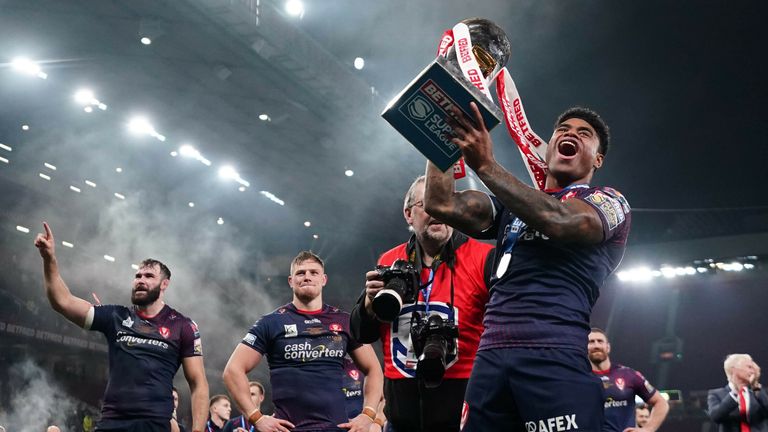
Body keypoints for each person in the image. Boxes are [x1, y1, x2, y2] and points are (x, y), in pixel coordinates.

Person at [424, 104, 631, 431]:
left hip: (554, 353)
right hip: (490, 356)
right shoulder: (513, 206)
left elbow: (561, 220)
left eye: (584, 133)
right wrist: (441, 136)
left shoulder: (609, 201)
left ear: (597, 159)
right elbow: (440, 203)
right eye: (562, 129)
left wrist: (487, 166)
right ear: (547, 147)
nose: (570, 133)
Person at [350, 175, 494, 432]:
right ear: (408, 214)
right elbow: (362, 333)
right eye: (429, 204)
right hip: (402, 419)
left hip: (462, 418)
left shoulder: (483, 258)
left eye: (445, 203)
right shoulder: (390, 260)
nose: (439, 212)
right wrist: (368, 306)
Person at [34, 222, 209, 432]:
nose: (140, 280)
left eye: (149, 276)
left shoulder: (183, 325)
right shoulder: (116, 316)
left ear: (165, 284)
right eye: (138, 276)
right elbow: (63, 302)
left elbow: (198, 383)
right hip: (113, 423)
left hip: (155, 425)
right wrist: (49, 260)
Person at [223, 251, 383, 432]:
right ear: (291, 281)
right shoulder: (271, 322)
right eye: (301, 273)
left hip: (336, 428)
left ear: (323, 279)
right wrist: (256, 417)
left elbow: (374, 369)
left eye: (313, 273)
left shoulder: (345, 321)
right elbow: (232, 371)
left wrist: (368, 415)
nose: (307, 277)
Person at [588, 328, 669, 431]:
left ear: (608, 347)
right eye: (591, 342)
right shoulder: (579, 378)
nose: (596, 345)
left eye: (600, 341)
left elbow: (661, 402)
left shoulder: (628, 374)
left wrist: (648, 429)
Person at [708, 354, 768, 432]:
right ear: (734, 370)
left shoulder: (757, 392)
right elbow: (716, 417)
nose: (753, 371)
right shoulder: (716, 394)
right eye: (749, 367)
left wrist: (755, 386)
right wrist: (736, 392)